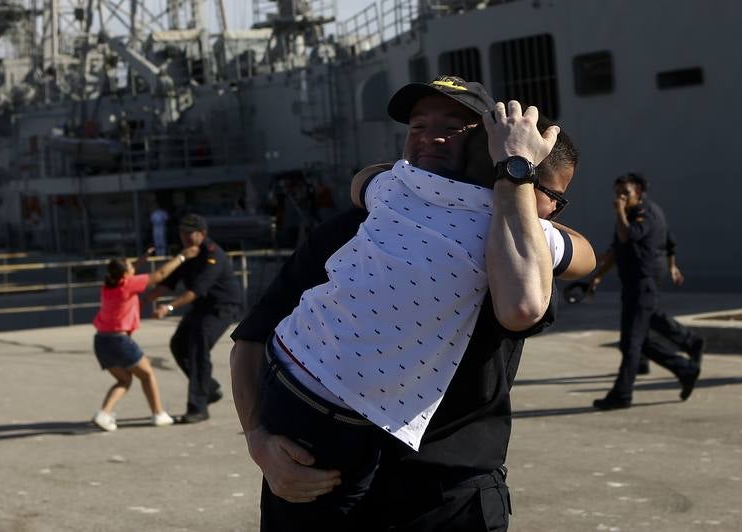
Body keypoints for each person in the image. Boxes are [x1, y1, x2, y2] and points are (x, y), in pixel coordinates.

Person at [231, 75, 594, 531]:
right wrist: (259, 440)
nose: (429, 137)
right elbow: (251, 338)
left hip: (447, 495)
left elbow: (563, 256)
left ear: (488, 143)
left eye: (452, 127)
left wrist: (514, 187)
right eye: (417, 126)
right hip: (321, 475)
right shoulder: (355, 228)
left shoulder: (518, 249)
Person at [591, 173, 703, 410]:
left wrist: (619, 212)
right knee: (638, 338)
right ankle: (685, 365)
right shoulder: (636, 213)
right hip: (636, 283)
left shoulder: (644, 214)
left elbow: (627, 236)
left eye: (625, 193)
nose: (619, 198)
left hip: (643, 283)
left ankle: (622, 394)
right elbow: (618, 248)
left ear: (638, 192)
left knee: (632, 342)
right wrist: (597, 276)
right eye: (617, 193)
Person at [90, 245, 198, 431]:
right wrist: (182, 256)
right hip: (119, 341)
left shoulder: (108, 286)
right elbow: (160, 274)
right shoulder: (128, 285)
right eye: (131, 267)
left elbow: (126, 272)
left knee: (124, 380)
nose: (134, 267)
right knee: (147, 375)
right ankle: (158, 414)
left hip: (101, 341)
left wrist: (143, 259)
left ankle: (104, 414)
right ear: (125, 275)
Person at [148, 213, 244, 423]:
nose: (185, 237)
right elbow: (169, 282)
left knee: (197, 349)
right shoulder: (186, 254)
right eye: (182, 232)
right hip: (201, 306)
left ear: (202, 234)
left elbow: (196, 290)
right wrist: (145, 297)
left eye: (189, 233)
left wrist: (169, 307)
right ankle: (208, 388)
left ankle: (198, 408)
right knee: (178, 345)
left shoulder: (213, 255)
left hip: (221, 307)